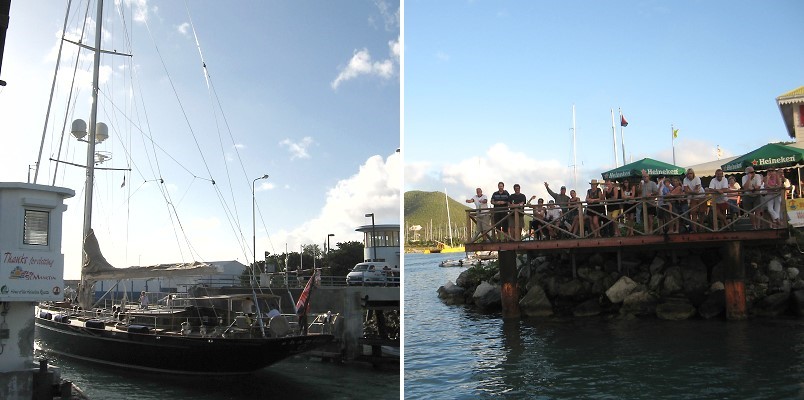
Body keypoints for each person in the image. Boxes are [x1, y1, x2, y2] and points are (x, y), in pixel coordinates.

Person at [640, 170, 659, 234]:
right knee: (644, 217)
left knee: (650, 217)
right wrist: (640, 186)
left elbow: (656, 192)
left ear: (649, 177)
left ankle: (651, 230)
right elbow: (639, 192)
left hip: (651, 202)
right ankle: (646, 230)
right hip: (644, 203)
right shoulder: (642, 184)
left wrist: (651, 194)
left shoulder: (652, 183)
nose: (645, 178)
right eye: (644, 177)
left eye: (646, 176)